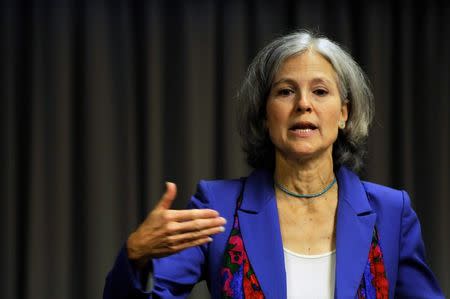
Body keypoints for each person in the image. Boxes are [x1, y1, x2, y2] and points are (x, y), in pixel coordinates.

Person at [103, 30, 444, 299]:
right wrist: (135, 255)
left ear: (344, 114)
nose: (303, 104)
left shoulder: (391, 212)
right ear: (265, 115)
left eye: (321, 91)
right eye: (285, 91)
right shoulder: (219, 207)